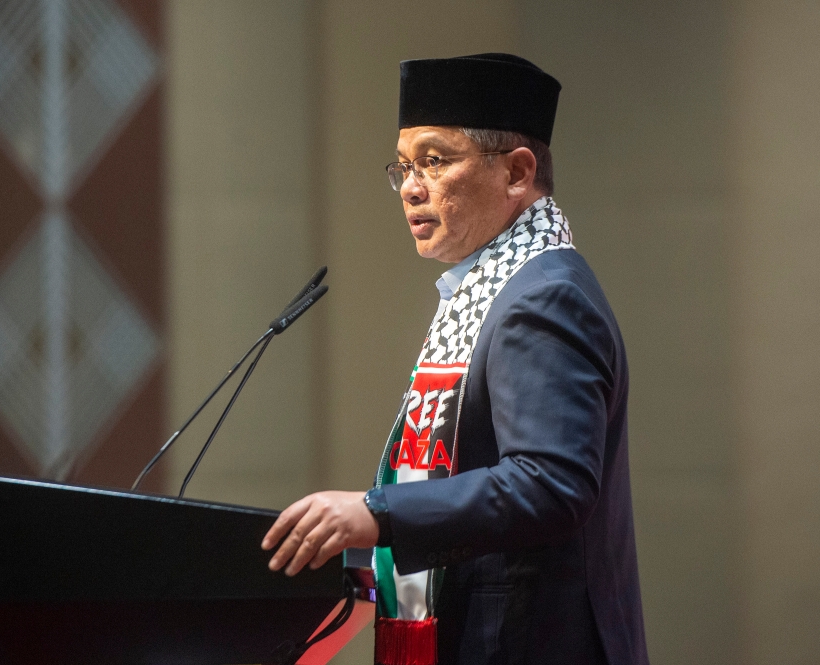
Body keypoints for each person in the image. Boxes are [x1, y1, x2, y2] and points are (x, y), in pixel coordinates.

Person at [262, 53, 648, 665]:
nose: (411, 188)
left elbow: (552, 484)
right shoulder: (494, 286)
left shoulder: (543, 296)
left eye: (435, 162)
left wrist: (377, 512)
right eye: (404, 167)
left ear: (518, 173)